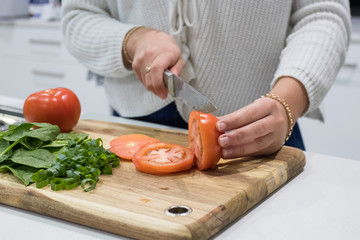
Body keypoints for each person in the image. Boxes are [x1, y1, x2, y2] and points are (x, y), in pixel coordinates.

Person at [61, 0, 351, 158]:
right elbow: (79, 15)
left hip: (264, 126)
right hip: (136, 126)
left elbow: (324, 14)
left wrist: (289, 100)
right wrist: (133, 40)